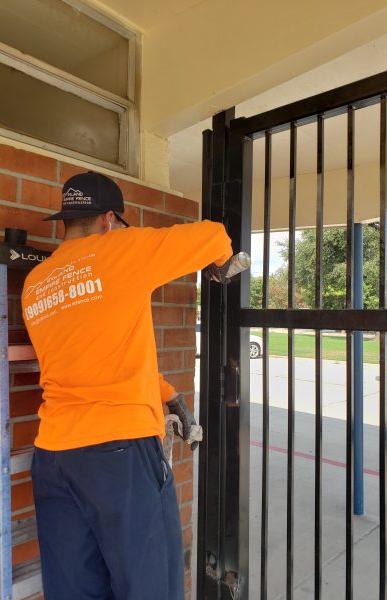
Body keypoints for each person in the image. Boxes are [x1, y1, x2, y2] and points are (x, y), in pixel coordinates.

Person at [21, 171, 232, 600]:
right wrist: (222, 260)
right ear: (108, 220)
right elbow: (214, 235)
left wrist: (166, 393)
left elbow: (89, 359)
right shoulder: (121, 249)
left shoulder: (36, 283)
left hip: (54, 458)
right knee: (151, 586)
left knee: (75, 592)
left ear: (68, 221)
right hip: (120, 457)